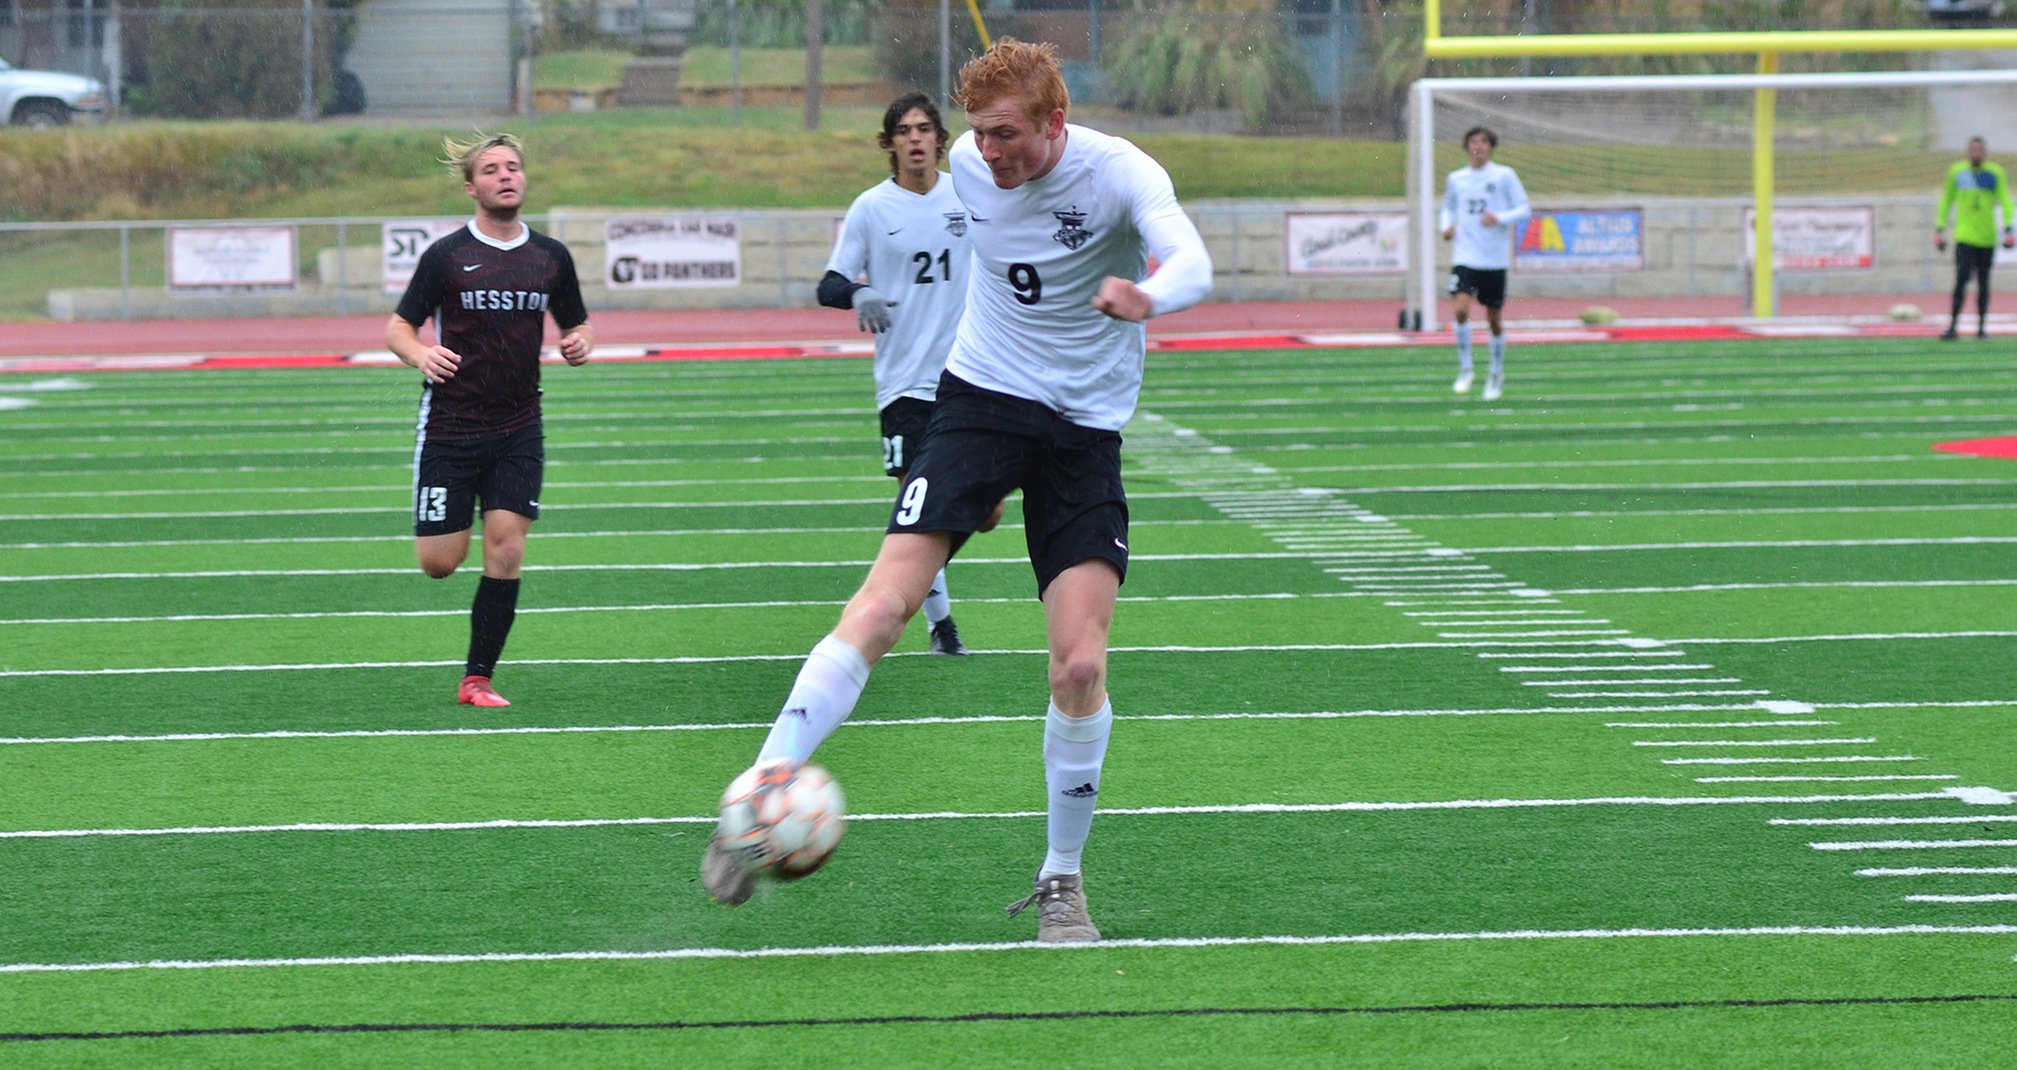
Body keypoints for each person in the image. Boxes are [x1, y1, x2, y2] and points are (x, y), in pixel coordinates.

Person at [703, 39, 1214, 943]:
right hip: (979, 400)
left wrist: (1151, 295)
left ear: (1055, 122)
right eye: (976, 135)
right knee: (882, 605)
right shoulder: (969, 172)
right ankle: (756, 796)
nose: (987, 154)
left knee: (1079, 666)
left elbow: (1192, 261)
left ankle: (1061, 879)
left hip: (1082, 434)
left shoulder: (1118, 173)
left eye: (1006, 134)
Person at [385, 132, 593, 708]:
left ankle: (477, 678)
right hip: (451, 428)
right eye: (493, 169)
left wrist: (579, 342)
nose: (507, 176)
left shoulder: (550, 256)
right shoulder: (446, 255)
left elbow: (579, 322)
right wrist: (419, 353)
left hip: (520, 426)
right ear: (472, 186)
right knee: (439, 563)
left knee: (506, 549)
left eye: (514, 167)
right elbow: (399, 327)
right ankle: (461, 511)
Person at [817, 91, 980, 657]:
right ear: (890, 144)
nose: (916, 138)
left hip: (970, 379)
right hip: (904, 387)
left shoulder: (967, 195)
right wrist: (859, 290)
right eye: (905, 131)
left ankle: (912, 589)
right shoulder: (872, 208)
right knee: (920, 507)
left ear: (940, 138)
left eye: (925, 128)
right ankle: (941, 624)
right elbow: (829, 282)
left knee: (984, 513)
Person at [1438, 126, 1529, 402]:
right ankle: (1466, 368)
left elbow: (1524, 209)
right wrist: (1445, 227)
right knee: (1461, 309)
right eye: (1474, 142)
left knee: (1494, 320)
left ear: (1491, 147)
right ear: (1467, 147)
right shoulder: (1457, 178)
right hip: (1465, 257)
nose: (1479, 146)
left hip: (1493, 259)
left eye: (1485, 142)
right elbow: (1448, 208)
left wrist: (1499, 218)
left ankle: (1496, 372)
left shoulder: (1504, 175)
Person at [1934, 136, 2015, 341]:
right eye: (1973, 149)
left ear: (1985, 152)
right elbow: (1947, 200)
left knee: (1983, 283)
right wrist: (1939, 228)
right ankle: (1953, 327)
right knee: (1961, 280)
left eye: (1980, 149)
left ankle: (1981, 328)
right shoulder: (1958, 172)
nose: (1976, 153)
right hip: (1965, 237)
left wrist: (2008, 229)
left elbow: (2005, 201)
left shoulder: (1994, 173)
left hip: (1987, 238)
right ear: (1968, 151)